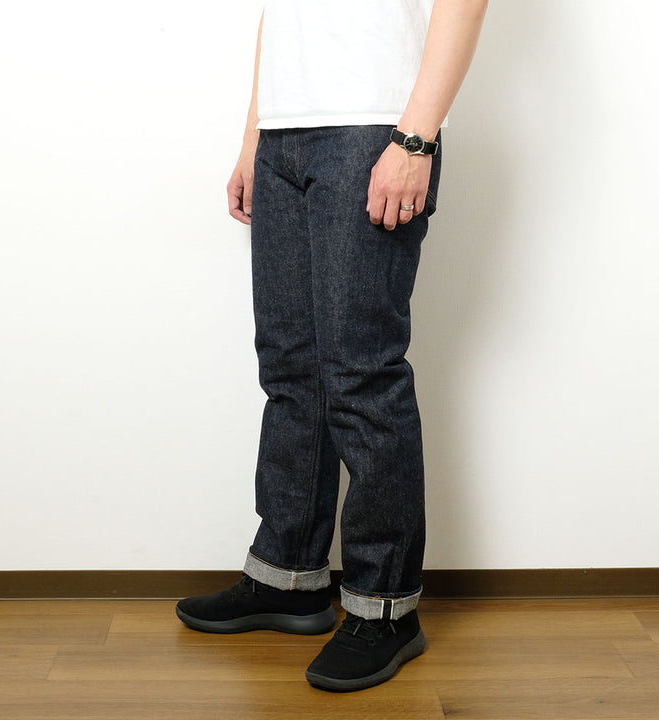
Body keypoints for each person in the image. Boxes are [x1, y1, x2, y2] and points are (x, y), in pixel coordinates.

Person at [177, 0, 488, 692]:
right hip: (285, 131)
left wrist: (415, 140)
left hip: (374, 128)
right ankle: (287, 576)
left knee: (361, 374)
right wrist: (255, 136)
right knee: (292, 371)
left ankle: (385, 607)